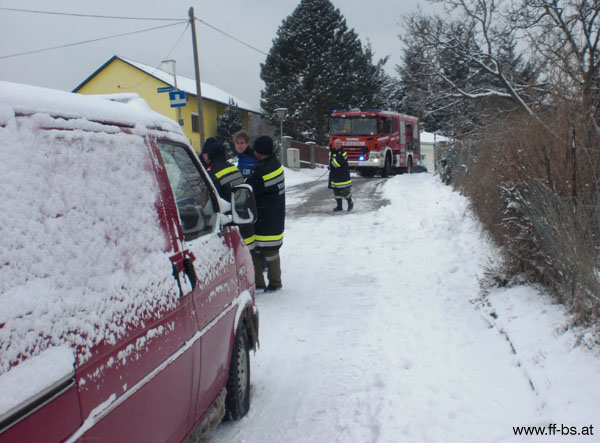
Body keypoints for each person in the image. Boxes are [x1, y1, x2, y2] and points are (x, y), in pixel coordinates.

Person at [245, 135, 285, 292]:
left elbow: (253, 187)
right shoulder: (272, 164)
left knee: (269, 253)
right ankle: (262, 282)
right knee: (265, 252)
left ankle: (274, 283)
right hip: (272, 216)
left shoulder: (265, 170)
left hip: (268, 218)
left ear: (260, 152)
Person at [329, 138, 353, 212]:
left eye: (338, 143)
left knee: (345, 192)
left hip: (343, 176)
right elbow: (331, 161)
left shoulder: (343, 152)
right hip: (335, 175)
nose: (336, 145)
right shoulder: (333, 152)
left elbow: (336, 163)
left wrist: (331, 165)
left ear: (341, 144)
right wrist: (331, 164)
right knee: (336, 192)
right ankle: (339, 206)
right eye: (335, 143)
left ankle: (350, 202)